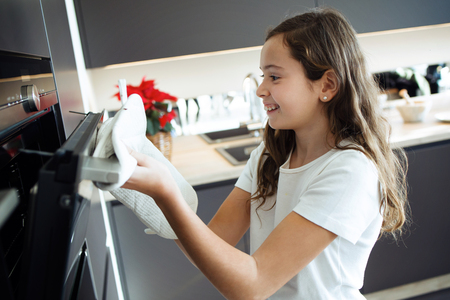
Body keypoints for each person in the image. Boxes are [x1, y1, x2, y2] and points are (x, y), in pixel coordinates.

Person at [123, 7, 409, 300]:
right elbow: (213, 243)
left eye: (274, 77)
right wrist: (155, 192)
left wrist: (166, 193)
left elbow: (254, 284)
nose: (261, 89)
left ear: (327, 85)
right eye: (263, 76)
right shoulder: (270, 155)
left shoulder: (349, 171)